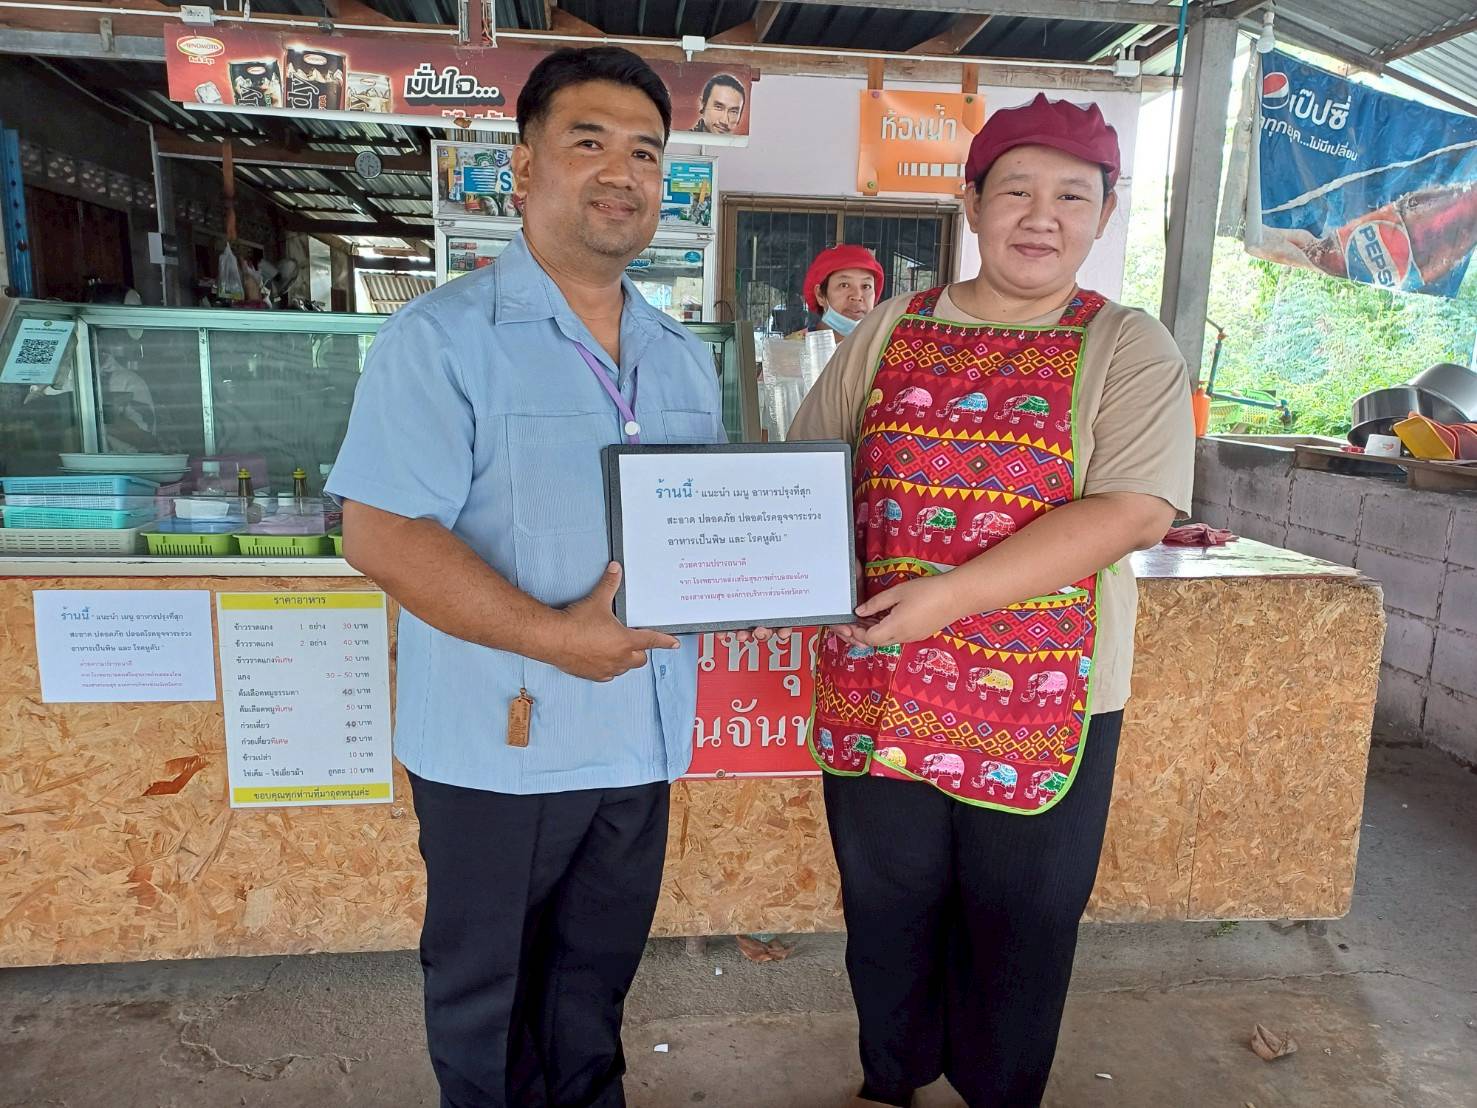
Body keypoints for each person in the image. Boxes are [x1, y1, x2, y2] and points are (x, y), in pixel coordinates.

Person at [327, 46, 725, 1108]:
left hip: (638, 734)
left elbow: (703, 527)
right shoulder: (442, 340)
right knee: (489, 999)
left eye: (646, 152)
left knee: (593, 988)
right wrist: (553, 638)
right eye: (588, 142)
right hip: (502, 742)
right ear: (523, 166)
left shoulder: (680, 354)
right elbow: (379, 532)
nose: (621, 172)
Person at [787, 93, 1194, 1107]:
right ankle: (891, 1080)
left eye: (1071, 196)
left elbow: (1132, 511)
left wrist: (946, 598)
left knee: (1022, 920)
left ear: (1104, 214)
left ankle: (997, 1092)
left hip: (1048, 699)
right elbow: (803, 469)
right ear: (971, 204)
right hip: (881, 681)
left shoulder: (1128, 346)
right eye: (1015, 191)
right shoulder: (888, 329)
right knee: (887, 909)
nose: (1040, 216)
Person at [801, 244, 884, 337]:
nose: (857, 296)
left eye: (866, 286)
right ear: (820, 295)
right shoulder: (792, 345)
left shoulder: (885, 345)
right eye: (844, 285)